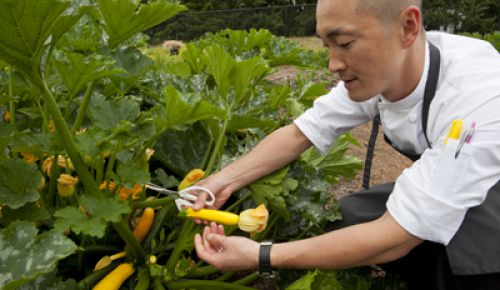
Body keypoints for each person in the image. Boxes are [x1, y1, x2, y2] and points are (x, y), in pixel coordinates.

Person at [190, 0, 500, 289]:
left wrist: (263, 256)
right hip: (461, 176)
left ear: (408, 27)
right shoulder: (390, 67)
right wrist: (221, 181)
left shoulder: (475, 95)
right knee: (351, 216)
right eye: (327, 46)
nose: (332, 64)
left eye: (345, 44)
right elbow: (301, 133)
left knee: (467, 256)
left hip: (492, 193)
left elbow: (397, 235)